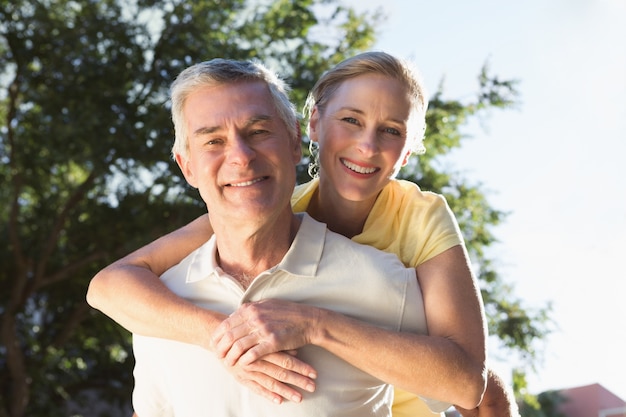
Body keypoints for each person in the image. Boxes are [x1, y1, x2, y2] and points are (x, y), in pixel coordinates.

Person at [87, 52, 517, 416]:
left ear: (407, 151)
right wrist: (227, 340)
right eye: (351, 120)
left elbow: (470, 384)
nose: (367, 146)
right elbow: (110, 285)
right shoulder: (258, 207)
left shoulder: (414, 233)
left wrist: (314, 324)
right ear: (312, 127)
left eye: (391, 131)